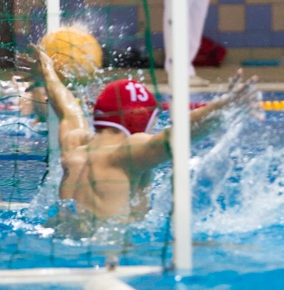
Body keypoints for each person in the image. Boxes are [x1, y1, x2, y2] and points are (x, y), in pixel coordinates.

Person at [32, 44, 259, 225]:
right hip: (108, 254)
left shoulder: (74, 145)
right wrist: (220, 109)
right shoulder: (127, 152)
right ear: (142, 123)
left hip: (60, 237)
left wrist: (48, 74)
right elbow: (176, 136)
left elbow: (68, 108)